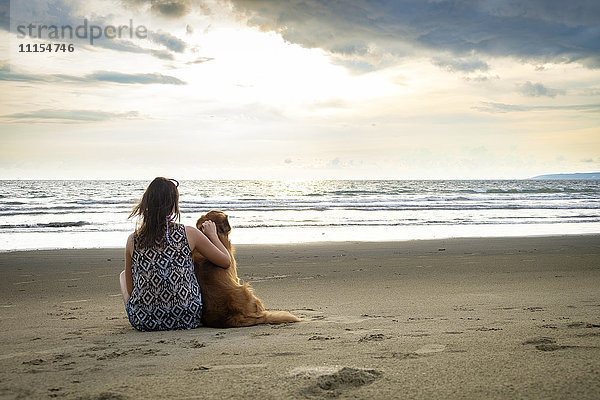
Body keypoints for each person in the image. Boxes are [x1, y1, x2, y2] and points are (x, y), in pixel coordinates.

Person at [119, 177, 230, 331]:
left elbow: (132, 291)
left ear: (146, 204)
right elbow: (226, 261)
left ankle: (142, 310)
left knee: (124, 274)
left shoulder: (133, 240)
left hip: (145, 321)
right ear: (173, 205)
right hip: (188, 316)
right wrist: (213, 236)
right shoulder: (189, 233)